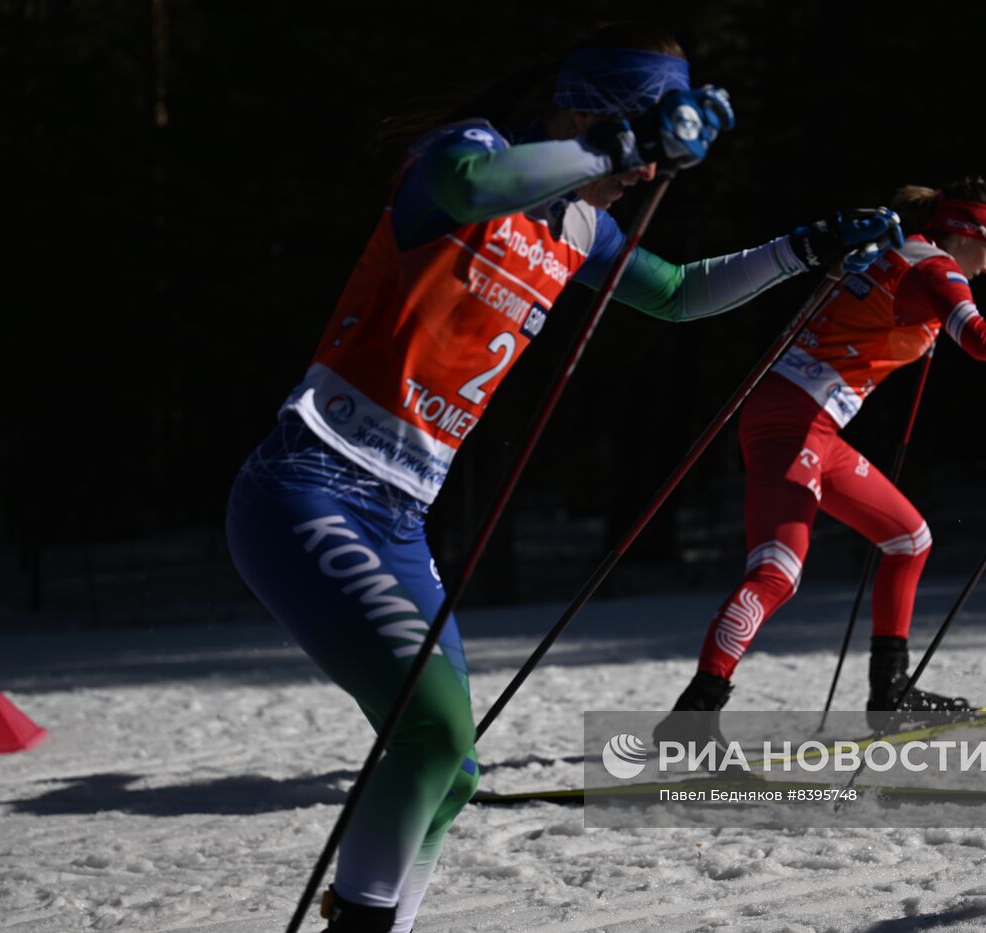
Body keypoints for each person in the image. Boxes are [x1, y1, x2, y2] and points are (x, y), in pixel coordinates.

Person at [224, 22, 899, 933]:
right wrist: (612, 146)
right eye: (648, 141)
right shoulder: (470, 153)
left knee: (452, 771)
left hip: (398, 516)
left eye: (665, 150)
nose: (650, 172)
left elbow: (677, 292)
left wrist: (804, 248)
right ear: (594, 114)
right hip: (309, 484)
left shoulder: (579, 225)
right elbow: (468, 188)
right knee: (431, 735)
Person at [654, 176, 986, 744]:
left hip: (807, 421)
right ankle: (695, 713)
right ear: (967, 234)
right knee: (777, 572)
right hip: (794, 420)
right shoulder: (936, 268)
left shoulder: (897, 249)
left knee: (910, 538)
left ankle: (890, 695)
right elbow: (982, 340)